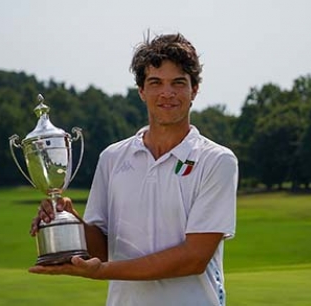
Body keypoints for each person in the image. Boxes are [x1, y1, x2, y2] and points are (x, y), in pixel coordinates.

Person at [29, 33, 238, 306]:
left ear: (194, 90)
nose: (167, 93)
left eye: (178, 83)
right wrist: (68, 217)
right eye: (155, 83)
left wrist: (103, 272)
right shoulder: (112, 158)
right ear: (141, 91)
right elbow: (101, 250)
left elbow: (194, 258)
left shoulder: (217, 160)